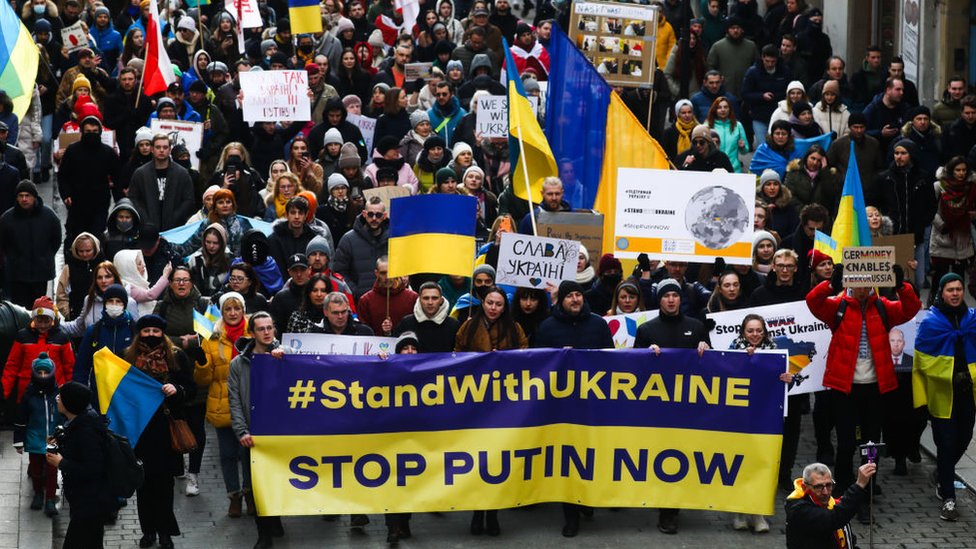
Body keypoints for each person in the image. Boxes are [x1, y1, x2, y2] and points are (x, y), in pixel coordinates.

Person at [806, 263, 920, 521]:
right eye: (856, 283)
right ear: (849, 283)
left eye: (867, 283)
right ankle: (846, 493)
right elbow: (813, 302)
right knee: (846, 444)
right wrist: (831, 284)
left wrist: (901, 286)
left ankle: (865, 498)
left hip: (875, 389)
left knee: (870, 447)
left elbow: (911, 308)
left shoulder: (883, 307)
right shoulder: (839, 306)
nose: (861, 288)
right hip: (844, 389)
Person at [532, 280, 613, 537]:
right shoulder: (547, 327)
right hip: (561, 410)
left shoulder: (598, 325)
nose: (575, 299)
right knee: (568, 461)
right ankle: (571, 515)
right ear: (561, 300)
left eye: (579, 294)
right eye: (570, 296)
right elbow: (537, 363)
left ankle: (587, 502)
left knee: (591, 457)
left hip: (592, 406)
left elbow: (611, 360)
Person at [633, 277, 710, 534]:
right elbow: (632, 369)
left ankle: (671, 509)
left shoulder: (697, 327)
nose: (670, 299)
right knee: (660, 455)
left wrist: (706, 348)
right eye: (666, 295)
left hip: (688, 405)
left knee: (680, 456)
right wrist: (645, 354)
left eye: (675, 295)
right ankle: (663, 506)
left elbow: (715, 365)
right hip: (657, 406)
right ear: (660, 299)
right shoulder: (646, 330)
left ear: (680, 298)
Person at [454, 285, 527, 536]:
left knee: (498, 461)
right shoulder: (468, 326)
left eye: (498, 304)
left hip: (504, 404)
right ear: (482, 303)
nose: (493, 308)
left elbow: (527, 359)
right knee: (476, 460)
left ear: (504, 306)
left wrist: (505, 360)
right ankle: (477, 513)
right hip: (474, 402)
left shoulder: (515, 329)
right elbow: (457, 356)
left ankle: (493, 513)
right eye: (489, 303)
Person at [124, 314, 194, 549]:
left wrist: (178, 390)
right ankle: (148, 531)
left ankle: (165, 531)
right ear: (139, 334)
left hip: (167, 429)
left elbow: (191, 389)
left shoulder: (176, 356)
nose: (151, 335)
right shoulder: (128, 357)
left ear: (162, 334)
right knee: (144, 484)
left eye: (156, 331)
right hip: (140, 430)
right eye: (146, 331)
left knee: (164, 485)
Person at [914, 273, 976, 521]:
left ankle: (942, 472)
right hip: (942, 395)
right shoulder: (931, 322)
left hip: (967, 394)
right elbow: (922, 361)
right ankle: (949, 497)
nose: (955, 293)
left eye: (959, 289)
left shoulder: (972, 320)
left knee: (965, 436)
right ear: (941, 292)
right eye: (950, 289)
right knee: (946, 443)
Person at [227, 311, 288, 548]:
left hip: (280, 431)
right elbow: (234, 400)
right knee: (257, 485)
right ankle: (264, 533)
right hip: (253, 431)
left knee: (279, 480)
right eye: (261, 328)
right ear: (252, 333)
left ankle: (275, 518)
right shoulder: (238, 364)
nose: (266, 332)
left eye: (270, 327)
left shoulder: (284, 356)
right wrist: (241, 431)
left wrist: (285, 362)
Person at [195, 292, 254, 518]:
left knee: (247, 453)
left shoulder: (254, 331)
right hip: (222, 403)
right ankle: (234, 496)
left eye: (236, 308)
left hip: (249, 402)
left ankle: (250, 493)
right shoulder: (212, 337)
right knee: (228, 454)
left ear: (243, 310)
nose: (232, 313)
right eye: (228, 309)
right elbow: (204, 379)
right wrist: (201, 363)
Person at [48, 381, 116, 548]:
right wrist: (61, 441)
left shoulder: (86, 431)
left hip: (91, 503)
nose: (57, 399)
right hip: (86, 501)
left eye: (61, 397)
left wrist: (61, 463)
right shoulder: (80, 422)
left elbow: (93, 468)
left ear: (70, 403)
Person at [13, 352, 62, 517]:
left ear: (51, 373)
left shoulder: (57, 394)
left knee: (51, 469)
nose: (43, 376)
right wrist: (19, 440)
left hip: (52, 438)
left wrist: (64, 434)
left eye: (46, 372)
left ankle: (49, 498)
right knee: (35, 469)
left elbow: (64, 415)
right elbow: (21, 419)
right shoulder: (29, 395)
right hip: (34, 437)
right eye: (39, 372)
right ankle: (38, 494)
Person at [784, 462, 877, 548]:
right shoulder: (798, 510)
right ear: (805, 487)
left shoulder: (832, 503)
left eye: (828, 485)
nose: (825, 492)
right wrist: (859, 485)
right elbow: (835, 518)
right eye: (818, 487)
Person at [0, 181, 62, 307]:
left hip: (40, 273)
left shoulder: (49, 216)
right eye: (20, 195)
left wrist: (46, 256)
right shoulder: (7, 219)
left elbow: (56, 239)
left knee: (38, 308)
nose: (24, 199)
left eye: (27, 195)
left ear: (34, 197)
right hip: (17, 274)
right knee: (20, 309)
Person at [3, 296, 74, 405]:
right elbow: (12, 366)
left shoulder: (62, 337)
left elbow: (69, 368)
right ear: (33, 318)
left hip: (55, 395)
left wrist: (69, 394)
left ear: (52, 319)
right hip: (26, 395)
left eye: (47, 321)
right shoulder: (23, 337)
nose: (43, 325)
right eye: (39, 321)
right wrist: (4, 392)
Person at [127, 135, 196, 231]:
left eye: (165, 147)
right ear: (152, 149)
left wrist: (175, 217)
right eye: (158, 147)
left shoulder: (182, 173)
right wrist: (145, 218)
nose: (162, 150)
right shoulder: (141, 173)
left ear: (170, 150)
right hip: (147, 227)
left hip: (174, 227)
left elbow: (189, 200)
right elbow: (133, 198)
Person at [333, 195, 391, 298]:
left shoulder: (394, 239)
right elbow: (339, 272)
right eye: (370, 214)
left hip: (389, 298)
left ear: (384, 215)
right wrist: (355, 292)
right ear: (364, 214)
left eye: (378, 215)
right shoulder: (348, 240)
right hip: (359, 301)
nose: (374, 218)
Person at [393, 281, 460, 352]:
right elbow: (394, 348)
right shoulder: (406, 323)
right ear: (419, 300)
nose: (430, 302)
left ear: (441, 300)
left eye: (434, 298)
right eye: (426, 298)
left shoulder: (453, 325)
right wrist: (387, 333)